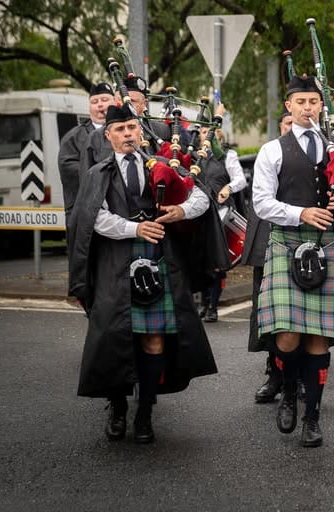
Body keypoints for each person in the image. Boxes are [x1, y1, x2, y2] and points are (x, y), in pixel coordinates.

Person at [67, 104, 219, 444]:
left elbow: (202, 198)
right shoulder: (98, 173)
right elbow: (94, 218)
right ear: (108, 136)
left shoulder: (165, 166)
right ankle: (118, 407)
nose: (127, 135)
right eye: (119, 130)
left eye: (132, 128)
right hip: (114, 262)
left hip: (158, 258)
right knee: (114, 337)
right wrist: (135, 229)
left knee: (154, 339)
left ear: (141, 132)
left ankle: (145, 412)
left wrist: (181, 210)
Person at [251, 74, 334, 447]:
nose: (308, 108)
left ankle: (313, 417)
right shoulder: (272, 150)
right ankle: (290, 393)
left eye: (314, 102)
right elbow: (261, 202)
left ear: (321, 105)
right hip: (287, 242)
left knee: (318, 338)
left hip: (328, 244)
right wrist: (302, 213)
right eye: (301, 102)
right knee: (289, 334)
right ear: (289, 106)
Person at [243, 111, 293, 404]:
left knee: (299, 317)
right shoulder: (270, 155)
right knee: (267, 312)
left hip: (305, 245)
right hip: (269, 244)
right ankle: (274, 374)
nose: (290, 128)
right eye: (286, 124)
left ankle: (298, 375)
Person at [197, 122, 247, 323]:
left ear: (219, 134)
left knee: (217, 261)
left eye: (211, 132)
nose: (206, 135)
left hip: (221, 213)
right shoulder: (195, 156)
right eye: (202, 132)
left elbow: (240, 180)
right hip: (200, 214)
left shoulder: (228, 155)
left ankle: (212, 306)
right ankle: (203, 302)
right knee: (201, 260)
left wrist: (227, 188)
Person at [58, 82, 116, 212]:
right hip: (87, 207)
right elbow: (68, 167)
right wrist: (103, 174)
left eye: (105, 100)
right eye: (94, 102)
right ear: (89, 107)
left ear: (115, 102)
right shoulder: (74, 137)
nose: (100, 104)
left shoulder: (125, 131)